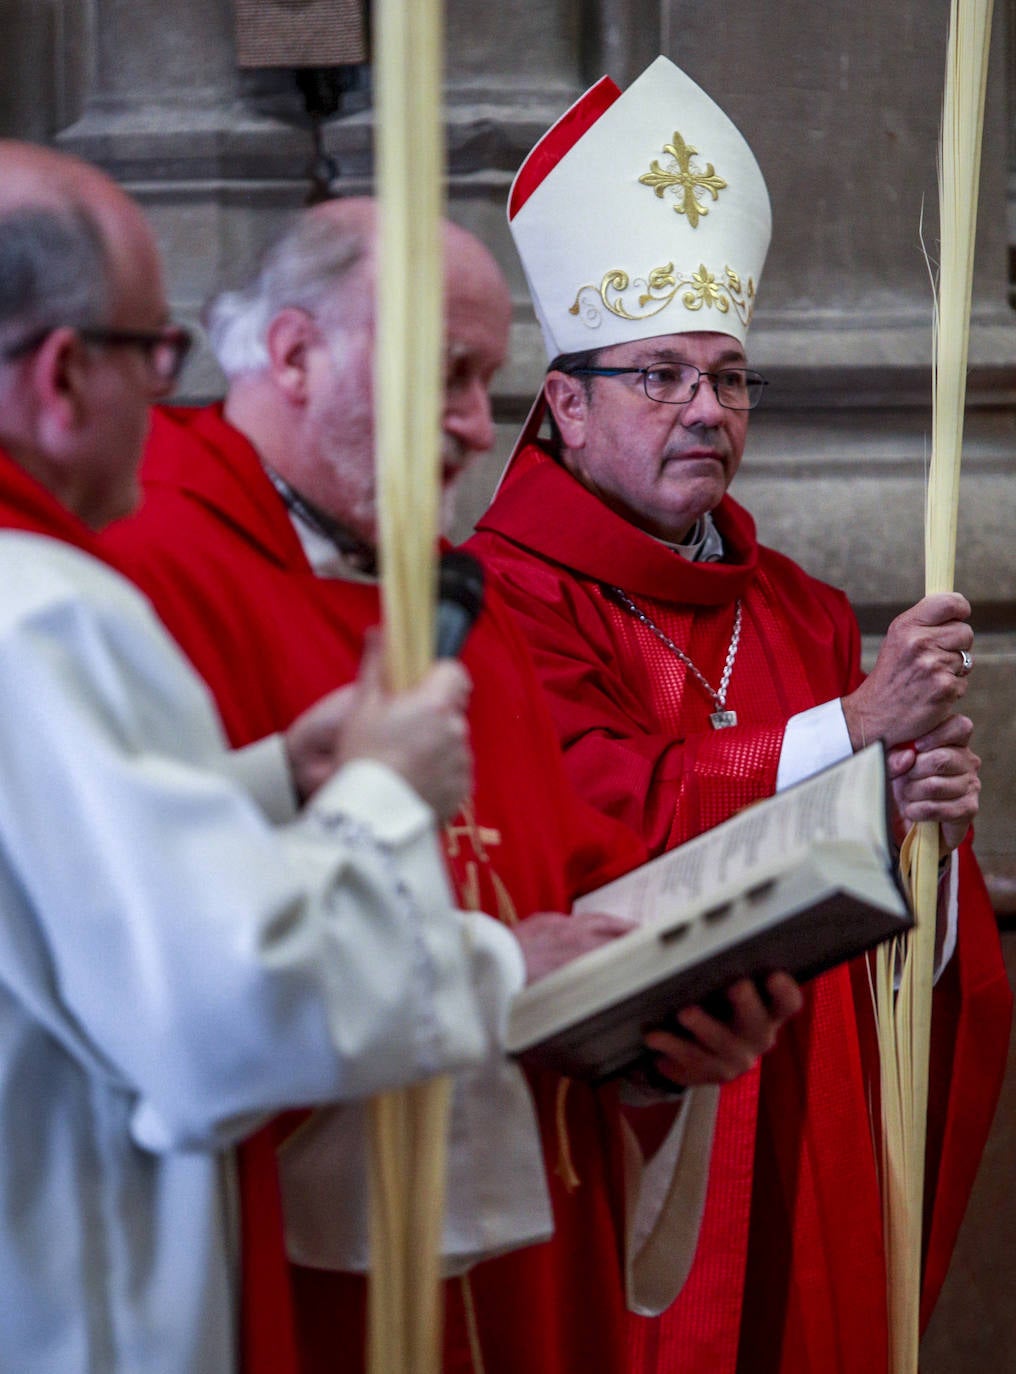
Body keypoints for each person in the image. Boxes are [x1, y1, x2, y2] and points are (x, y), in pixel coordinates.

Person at [104, 195, 803, 1374]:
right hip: (299, 1256)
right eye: (449, 377)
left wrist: (658, 1040)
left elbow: (561, 890)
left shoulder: (445, 598)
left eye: (490, 382)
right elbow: (170, 973)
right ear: (291, 354)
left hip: (526, 1235)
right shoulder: (142, 574)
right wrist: (496, 967)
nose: (480, 430)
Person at [468, 57, 1013, 1374]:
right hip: (629, 1129)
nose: (708, 408)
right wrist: (856, 729)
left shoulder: (801, 609)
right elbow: (608, 823)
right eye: (660, 374)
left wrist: (924, 848)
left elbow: (904, 935)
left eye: (729, 376)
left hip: (805, 1117)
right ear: (566, 400)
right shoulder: (494, 601)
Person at [0, 138, 541, 1374]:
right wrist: (374, 795)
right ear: (65, 375)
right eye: (157, 353)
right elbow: (227, 1021)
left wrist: (269, 785)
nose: (173, 396)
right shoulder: (44, 612)